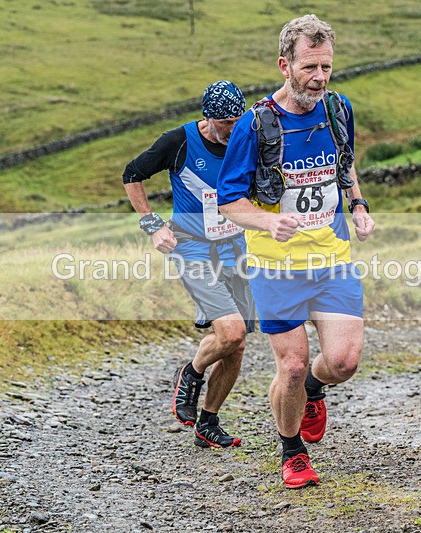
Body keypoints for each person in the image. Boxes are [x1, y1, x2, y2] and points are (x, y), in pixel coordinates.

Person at [217, 14, 375, 489]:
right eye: (309, 67)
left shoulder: (338, 109)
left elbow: (345, 166)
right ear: (284, 66)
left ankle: (314, 389)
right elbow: (229, 202)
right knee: (291, 365)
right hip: (275, 265)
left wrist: (358, 206)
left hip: (331, 259)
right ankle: (292, 452)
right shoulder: (255, 124)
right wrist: (268, 220)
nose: (319, 78)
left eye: (326, 67)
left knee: (343, 362)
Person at [123, 80, 254, 449]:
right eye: (225, 123)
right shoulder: (179, 141)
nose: (233, 129)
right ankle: (191, 373)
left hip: (235, 249)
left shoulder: (247, 137)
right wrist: (152, 225)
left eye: (238, 120)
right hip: (193, 249)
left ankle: (208, 421)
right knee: (231, 332)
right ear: (207, 118)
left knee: (236, 345)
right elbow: (132, 174)